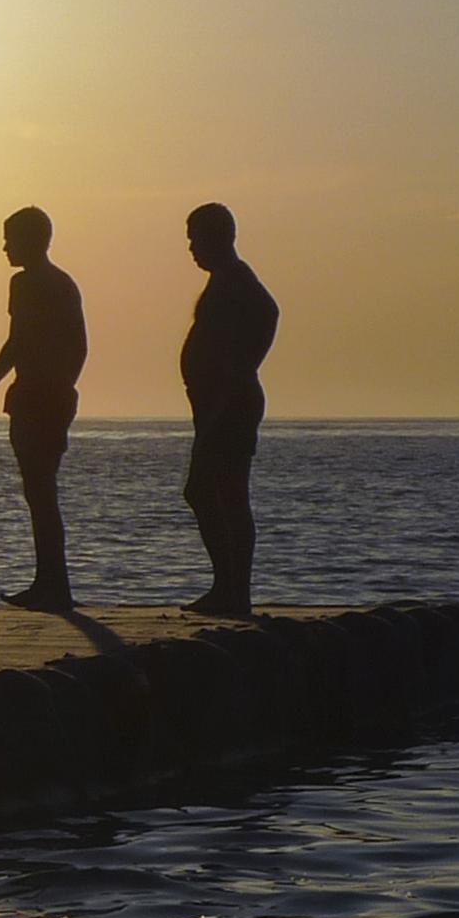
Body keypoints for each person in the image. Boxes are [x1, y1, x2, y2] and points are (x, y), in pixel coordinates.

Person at [0, 206, 88, 610]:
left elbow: (21, 344)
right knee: (40, 494)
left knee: (41, 492)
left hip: (41, 400)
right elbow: (28, 345)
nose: (4, 248)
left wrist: (51, 387)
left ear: (30, 240)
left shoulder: (32, 284)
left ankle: (54, 585)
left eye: (10, 239)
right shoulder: (58, 284)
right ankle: (50, 581)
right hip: (42, 396)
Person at [180, 202, 277, 616]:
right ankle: (228, 587)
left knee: (219, 492)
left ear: (218, 237)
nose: (190, 248)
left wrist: (242, 368)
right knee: (213, 491)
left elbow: (269, 311)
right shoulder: (223, 281)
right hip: (217, 404)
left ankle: (234, 590)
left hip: (229, 405)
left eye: (195, 238)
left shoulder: (237, 279)